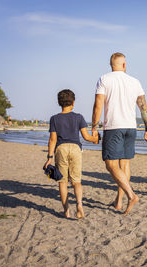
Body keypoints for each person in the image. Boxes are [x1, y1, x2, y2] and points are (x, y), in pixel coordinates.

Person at [91, 52, 147, 215]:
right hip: (130, 127)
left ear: (111, 65)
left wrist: (94, 127)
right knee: (124, 165)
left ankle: (131, 195)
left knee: (110, 164)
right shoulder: (135, 81)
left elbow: (98, 104)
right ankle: (118, 202)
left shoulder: (104, 79)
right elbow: (143, 107)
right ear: (124, 65)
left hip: (113, 127)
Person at [43, 89, 98, 218]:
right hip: (75, 149)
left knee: (62, 182)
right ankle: (79, 204)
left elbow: (52, 139)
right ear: (73, 102)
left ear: (59, 103)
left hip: (61, 149)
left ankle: (66, 211)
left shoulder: (54, 119)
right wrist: (97, 139)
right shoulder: (79, 117)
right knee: (76, 181)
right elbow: (86, 137)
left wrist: (49, 158)